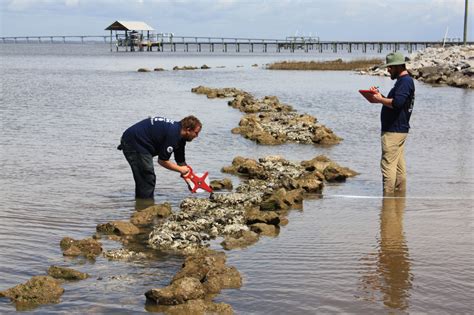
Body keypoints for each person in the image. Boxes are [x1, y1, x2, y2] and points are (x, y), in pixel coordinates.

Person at [118, 115, 202, 201]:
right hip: (133, 142)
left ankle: (143, 204)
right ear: (188, 130)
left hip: (141, 142)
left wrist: (190, 180)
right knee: (147, 178)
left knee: (146, 177)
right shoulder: (174, 135)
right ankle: (144, 207)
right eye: (196, 133)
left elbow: (181, 162)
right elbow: (162, 161)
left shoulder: (180, 136)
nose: (197, 136)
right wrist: (181, 170)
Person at [369, 52, 415, 194]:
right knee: (399, 167)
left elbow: (397, 103)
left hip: (393, 132)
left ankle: (387, 204)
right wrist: (379, 96)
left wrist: (380, 99)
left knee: (388, 166)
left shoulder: (405, 82)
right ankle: (399, 202)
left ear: (398, 66)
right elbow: (395, 102)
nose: (387, 70)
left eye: (390, 67)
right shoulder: (404, 82)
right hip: (398, 130)